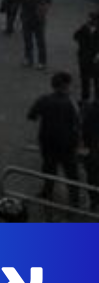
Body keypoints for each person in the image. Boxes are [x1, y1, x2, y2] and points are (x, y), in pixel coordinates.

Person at [28, 71, 82, 204]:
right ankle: (74, 200)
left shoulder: (44, 100)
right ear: (65, 86)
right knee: (71, 173)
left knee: (48, 169)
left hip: (48, 142)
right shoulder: (70, 104)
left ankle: (47, 192)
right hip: (67, 145)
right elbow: (78, 123)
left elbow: (31, 116)